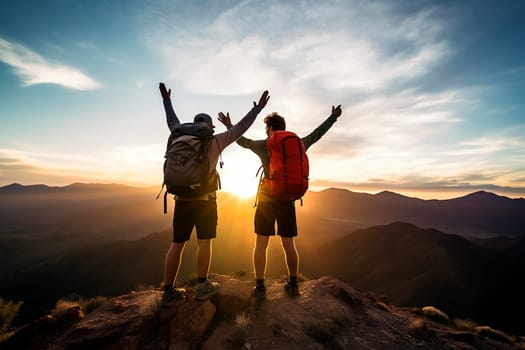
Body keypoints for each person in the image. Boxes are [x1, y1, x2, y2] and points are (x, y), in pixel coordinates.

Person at [159, 82, 270, 305]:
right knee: (204, 244)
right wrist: (257, 109)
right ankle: (202, 286)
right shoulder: (215, 140)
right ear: (209, 126)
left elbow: (171, 119)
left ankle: (168, 292)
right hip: (205, 202)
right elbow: (240, 127)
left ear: (194, 124)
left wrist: (166, 100)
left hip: (181, 199)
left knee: (177, 245)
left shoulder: (179, 132)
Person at [218, 104, 342, 300]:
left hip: (267, 200)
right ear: (284, 128)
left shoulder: (265, 144)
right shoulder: (298, 142)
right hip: (288, 200)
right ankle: (293, 285)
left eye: (266, 129)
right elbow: (317, 135)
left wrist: (229, 126)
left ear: (269, 129)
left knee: (261, 243)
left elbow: (243, 141)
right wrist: (332, 117)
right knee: (289, 244)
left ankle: (260, 288)